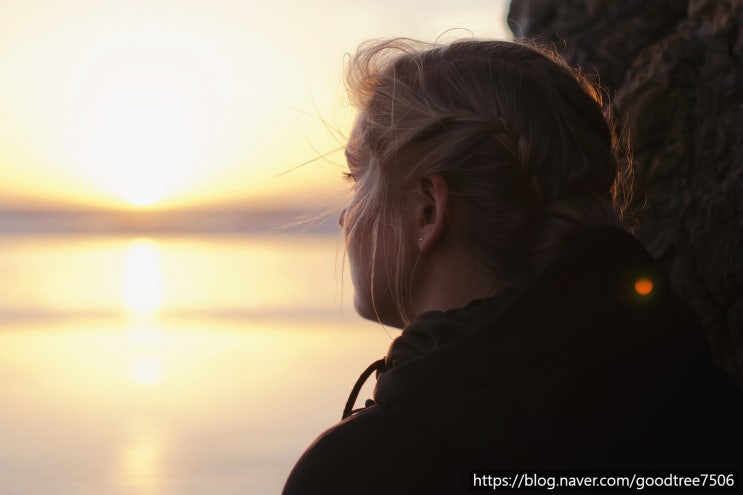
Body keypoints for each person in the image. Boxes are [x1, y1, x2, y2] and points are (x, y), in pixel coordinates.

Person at [282, 38, 743, 495]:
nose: (347, 215)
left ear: (427, 211)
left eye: (358, 178)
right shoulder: (707, 404)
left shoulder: (360, 473)